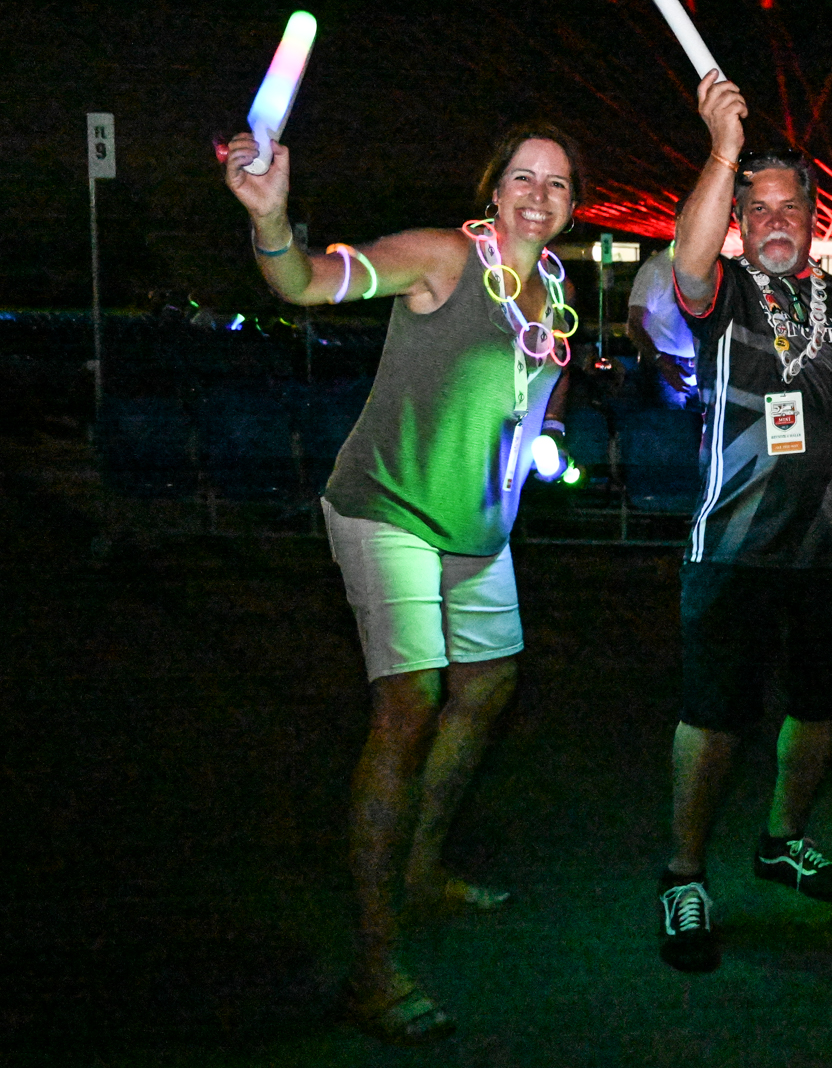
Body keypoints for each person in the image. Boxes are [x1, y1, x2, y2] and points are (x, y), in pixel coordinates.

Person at [223, 120, 585, 1045]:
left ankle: (420, 868)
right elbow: (307, 282)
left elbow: (550, 376)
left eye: (557, 183)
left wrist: (549, 434)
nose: (538, 195)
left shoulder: (557, 287)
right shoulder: (441, 258)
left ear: (572, 206)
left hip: (479, 523)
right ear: (493, 189)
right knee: (410, 703)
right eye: (522, 177)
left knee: (489, 685)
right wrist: (272, 223)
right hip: (388, 505)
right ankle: (374, 963)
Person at [656, 72, 832, 974]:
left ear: (812, 216)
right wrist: (722, 151)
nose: (774, 220)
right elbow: (687, 263)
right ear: (739, 220)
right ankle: (684, 873)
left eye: (789, 207)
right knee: (712, 717)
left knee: (815, 708)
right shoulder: (723, 290)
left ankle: (781, 839)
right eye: (756, 207)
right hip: (734, 546)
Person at [627, 195, 700, 409]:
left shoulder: (713, 268)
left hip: (701, 365)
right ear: (679, 220)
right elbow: (634, 324)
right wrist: (661, 362)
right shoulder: (656, 269)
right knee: (671, 425)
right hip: (666, 368)